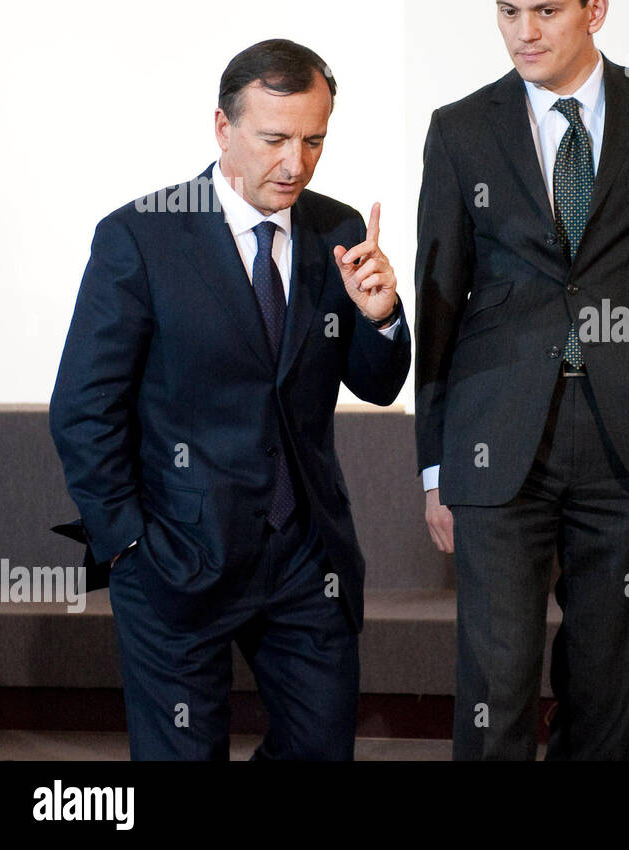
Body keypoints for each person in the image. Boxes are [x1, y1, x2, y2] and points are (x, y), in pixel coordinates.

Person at [415, 0, 629, 760]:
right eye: (507, 11)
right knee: (497, 682)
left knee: (606, 687)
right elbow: (440, 303)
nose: (523, 33)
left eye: (545, 12)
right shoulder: (460, 129)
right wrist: (437, 461)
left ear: (596, 10)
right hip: (494, 439)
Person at [49, 39, 411, 760]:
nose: (296, 164)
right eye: (274, 139)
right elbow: (83, 408)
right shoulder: (141, 236)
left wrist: (380, 314)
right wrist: (127, 544)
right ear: (223, 128)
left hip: (307, 560)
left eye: (314, 140)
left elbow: (376, 383)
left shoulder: (336, 230)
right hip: (176, 559)